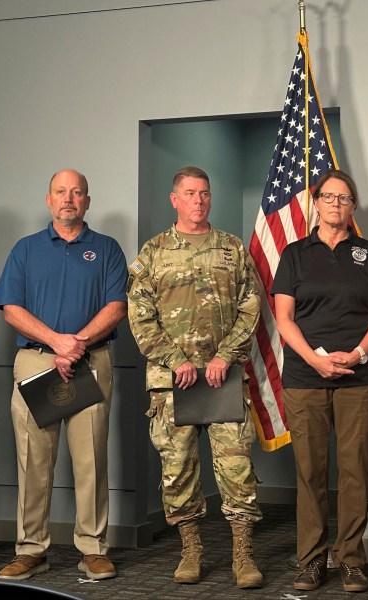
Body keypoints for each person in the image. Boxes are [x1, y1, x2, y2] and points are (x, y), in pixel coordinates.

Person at [127, 166, 264, 589]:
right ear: (175, 199)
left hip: (224, 377)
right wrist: (174, 358)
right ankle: (191, 551)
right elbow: (139, 314)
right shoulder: (153, 252)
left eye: (204, 193)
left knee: (237, 470)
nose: (198, 200)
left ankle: (243, 556)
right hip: (173, 383)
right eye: (189, 193)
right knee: (178, 469)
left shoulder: (231, 247)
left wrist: (226, 355)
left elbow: (252, 303)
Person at [0, 169, 127, 581]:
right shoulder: (26, 249)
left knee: (90, 459)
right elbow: (11, 308)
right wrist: (56, 342)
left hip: (90, 362)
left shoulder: (106, 249)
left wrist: (76, 344)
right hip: (36, 362)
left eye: (77, 192)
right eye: (60, 192)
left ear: (87, 201)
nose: (69, 198)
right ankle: (31, 550)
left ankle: (92, 548)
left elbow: (116, 306)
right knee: (33, 460)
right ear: (48, 200)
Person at [271, 169, 368, 593]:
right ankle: (310, 562)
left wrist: (359, 354)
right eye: (328, 197)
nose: (336, 205)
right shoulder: (294, 254)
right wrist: (315, 360)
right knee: (309, 472)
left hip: (361, 377)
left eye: (344, 199)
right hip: (306, 376)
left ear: (353, 207)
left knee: (355, 471)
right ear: (316, 203)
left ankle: (351, 561)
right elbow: (284, 319)